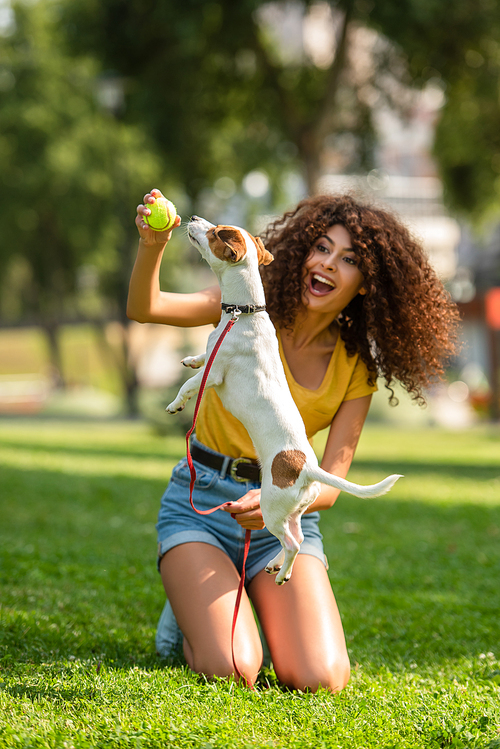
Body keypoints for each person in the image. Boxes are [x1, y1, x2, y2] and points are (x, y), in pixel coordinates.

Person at [127, 189, 459, 691]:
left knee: (320, 677)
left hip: (284, 520)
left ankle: (239, 592)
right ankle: (192, 608)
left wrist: (279, 501)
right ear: (303, 251)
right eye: (321, 247)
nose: (327, 264)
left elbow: (331, 482)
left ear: (368, 283)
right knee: (233, 668)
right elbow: (146, 307)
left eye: (349, 259)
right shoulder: (242, 306)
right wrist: (153, 244)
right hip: (203, 504)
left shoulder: (355, 369)